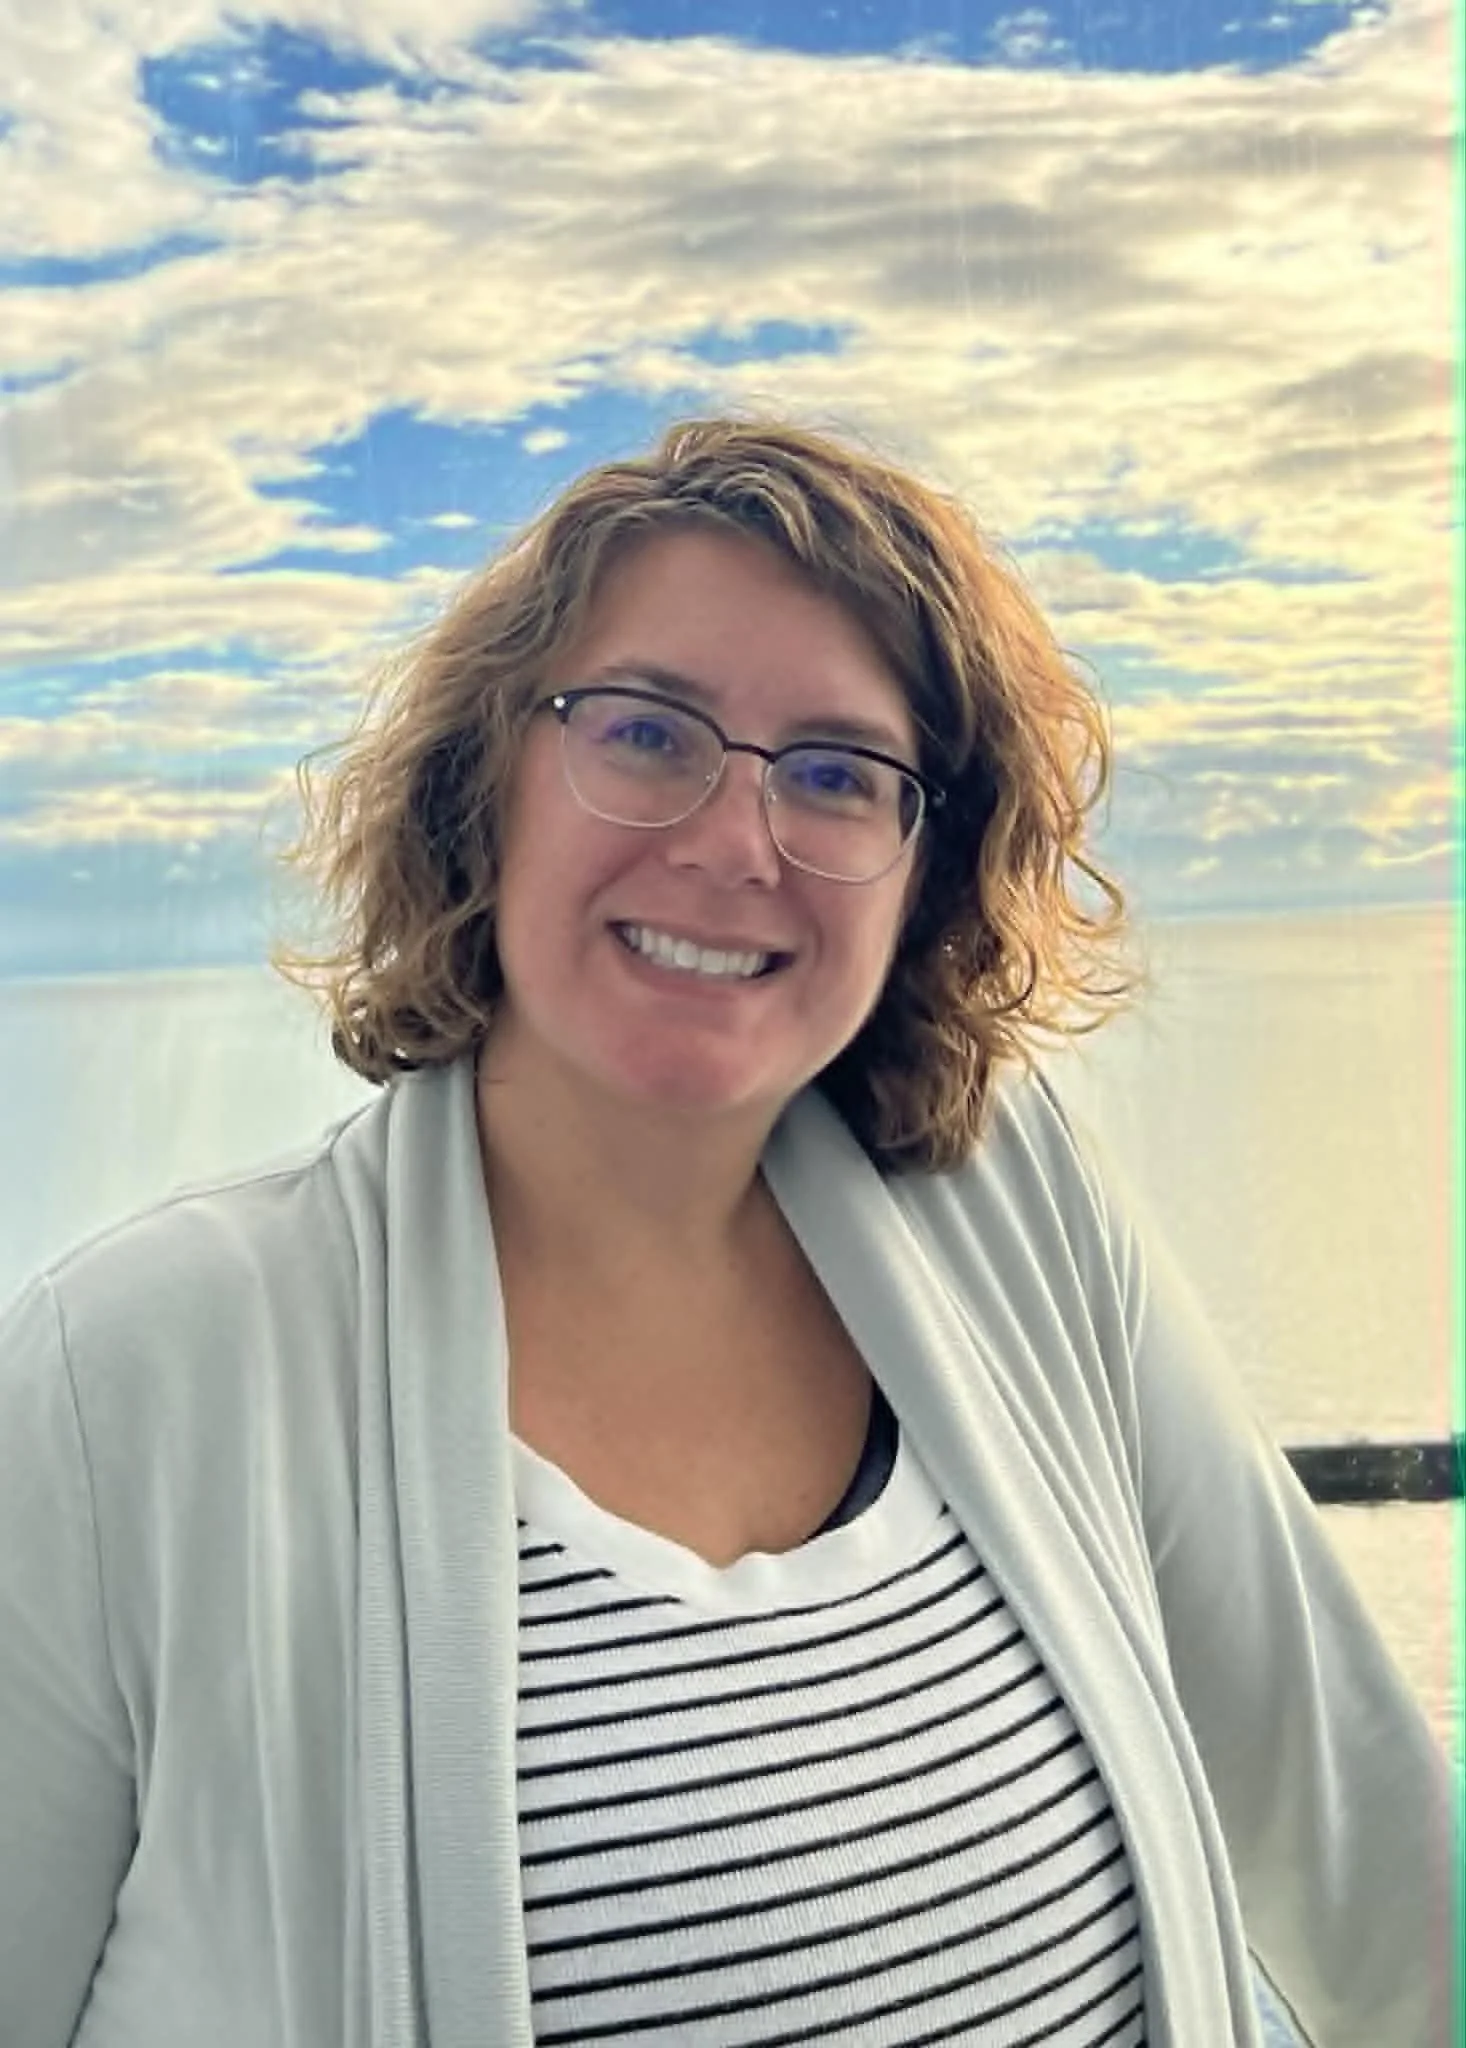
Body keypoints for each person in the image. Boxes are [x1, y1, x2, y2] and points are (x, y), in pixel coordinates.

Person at [0, 417, 1455, 2048]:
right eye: (644, 733)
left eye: (838, 773)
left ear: (925, 868)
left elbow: (1372, 1867)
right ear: (490, 785)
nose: (731, 840)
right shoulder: (135, 1367)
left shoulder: (1012, 1219)